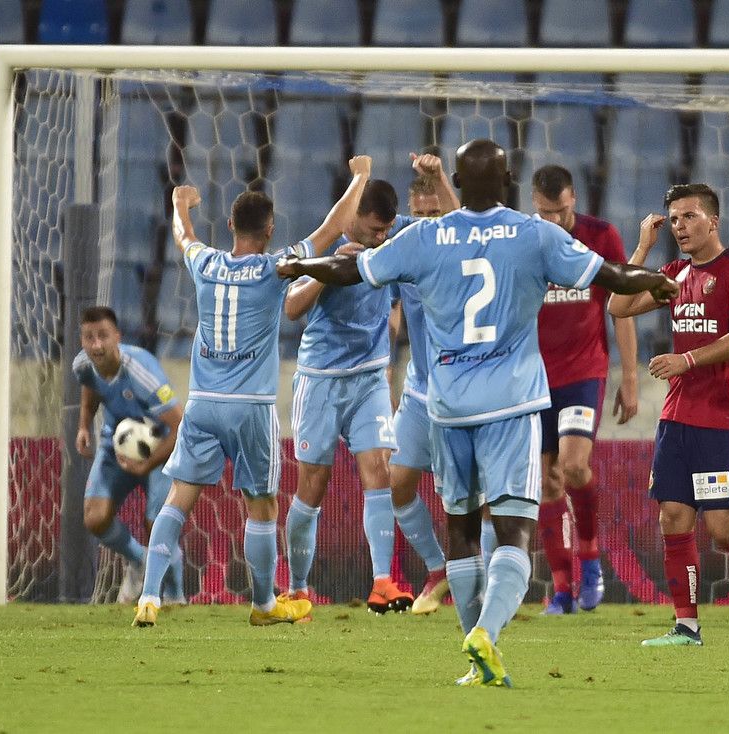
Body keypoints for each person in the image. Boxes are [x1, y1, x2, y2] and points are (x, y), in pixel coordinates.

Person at [276, 138, 679, 687]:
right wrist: (657, 281)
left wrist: (300, 263)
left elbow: (349, 270)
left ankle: (475, 662)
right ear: (509, 181)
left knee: (462, 530)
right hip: (510, 405)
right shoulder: (534, 234)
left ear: (459, 184)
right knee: (513, 530)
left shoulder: (424, 236)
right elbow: (611, 277)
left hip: (447, 407)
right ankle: (487, 632)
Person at [132, 160, 370, 628]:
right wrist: (360, 177)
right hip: (251, 410)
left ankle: (149, 596)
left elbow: (183, 236)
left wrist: (180, 204)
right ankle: (263, 605)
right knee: (261, 506)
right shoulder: (273, 268)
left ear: (230, 226)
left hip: (202, 403)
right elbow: (332, 228)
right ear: (270, 230)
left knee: (177, 498)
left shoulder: (206, 262)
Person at [608, 184, 729, 648]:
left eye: (689, 216)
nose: (680, 226)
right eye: (674, 219)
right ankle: (687, 627)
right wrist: (643, 248)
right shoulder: (673, 274)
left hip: (722, 418)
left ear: (713, 221)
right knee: (673, 516)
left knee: (722, 528)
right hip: (677, 418)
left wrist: (687, 360)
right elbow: (618, 306)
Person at [281, 154, 456, 616]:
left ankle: (382, 582)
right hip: (320, 379)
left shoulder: (397, 234)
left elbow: (449, 228)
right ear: (353, 218)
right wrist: (327, 272)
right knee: (312, 483)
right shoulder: (326, 243)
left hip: (370, 377)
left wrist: (438, 179)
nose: (382, 238)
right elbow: (293, 308)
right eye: (375, 230)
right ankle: (297, 587)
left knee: (379, 468)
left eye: (386, 230)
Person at [531, 164, 638, 614]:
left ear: (573, 197)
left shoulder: (601, 236)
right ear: (533, 205)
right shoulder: (527, 239)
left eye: (560, 210)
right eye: (545, 212)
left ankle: (591, 559)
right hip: (535, 378)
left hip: (583, 371)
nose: (554, 220)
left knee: (574, 466)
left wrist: (629, 377)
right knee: (545, 482)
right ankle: (561, 590)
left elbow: (622, 305)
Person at [74, 306, 185, 605]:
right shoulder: (83, 364)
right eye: (89, 337)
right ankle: (139, 561)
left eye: (103, 336)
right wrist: (84, 426)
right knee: (95, 518)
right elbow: (90, 388)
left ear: (117, 337)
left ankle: (176, 595)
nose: (96, 345)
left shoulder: (142, 374)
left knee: (157, 524)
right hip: (115, 443)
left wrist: (146, 464)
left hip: (161, 445)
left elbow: (179, 425)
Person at [388, 169, 461, 615]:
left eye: (436, 214)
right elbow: (393, 315)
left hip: (461, 394)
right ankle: (438, 568)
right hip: (419, 389)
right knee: (397, 483)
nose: (428, 223)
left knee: (467, 499)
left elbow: (464, 222)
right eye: (420, 215)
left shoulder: (465, 252)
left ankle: (478, 577)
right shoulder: (405, 249)